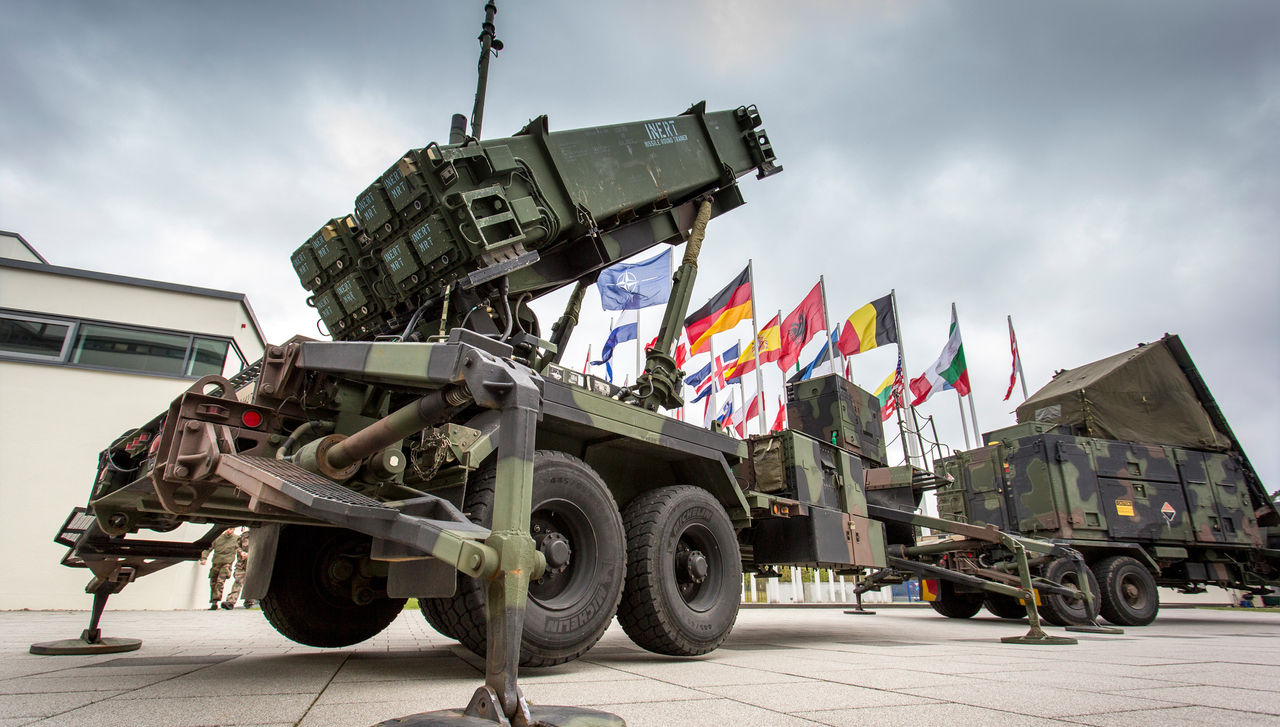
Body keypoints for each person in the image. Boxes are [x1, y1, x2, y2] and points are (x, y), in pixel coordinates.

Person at [200, 528, 237, 610]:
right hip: (216, 563)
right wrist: (204, 558)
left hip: (226, 564)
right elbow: (208, 548)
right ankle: (213, 600)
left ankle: (215, 601)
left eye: (231, 529)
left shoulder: (236, 539)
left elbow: (241, 549)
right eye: (228, 529)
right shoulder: (218, 538)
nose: (229, 531)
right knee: (213, 582)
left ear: (234, 530)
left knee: (220, 582)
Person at [223, 529, 256, 609]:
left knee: (251, 583)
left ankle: (249, 601)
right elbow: (237, 547)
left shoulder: (262, 535)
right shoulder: (244, 536)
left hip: (254, 563)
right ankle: (231, 602)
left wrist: (251, 554)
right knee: (238, 581)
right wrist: (241, 552)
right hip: (242, 564)